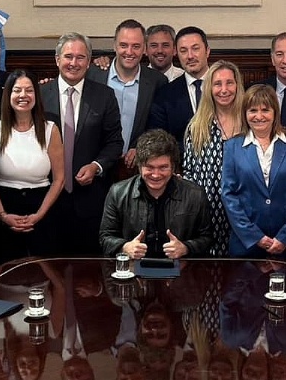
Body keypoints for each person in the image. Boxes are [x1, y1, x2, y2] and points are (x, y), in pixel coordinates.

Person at [41, 32, 124, 255]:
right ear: (57, 59)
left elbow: (115, 142)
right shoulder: (39, 95)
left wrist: (96, 166)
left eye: (80, 57)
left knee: (88, 270)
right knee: (48, 269)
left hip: (89, 202)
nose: (74, 63)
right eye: (68, 56)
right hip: (46, 201)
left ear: (88, 62)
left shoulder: (104, 96)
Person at [221, 85, 286, 260]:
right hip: (247, 245)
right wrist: (255, 236)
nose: (259, 116)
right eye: (253, 110)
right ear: (245, 114)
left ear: (275, 112)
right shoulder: (232, 147)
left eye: (265, 110)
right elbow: (228, 195)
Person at [0, 70, 65, 265]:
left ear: (36, 95)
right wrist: (3, 215)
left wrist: (39, 215)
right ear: (8, 94)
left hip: (42, 207)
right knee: (5, 272)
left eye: (29, 90)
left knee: (43, 271)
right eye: (17, 90)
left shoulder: (50, 129)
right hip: (4, 207)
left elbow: (59, 179)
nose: (23, 95)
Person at [100, 129, 213, 259]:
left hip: (180, 268)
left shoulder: (195, 194)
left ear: (173, 167)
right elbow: (105, 237)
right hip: (134, 267)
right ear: (139, 166)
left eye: (163, 167)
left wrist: (186, 248)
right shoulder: (118, 193)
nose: (156, 174)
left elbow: (207, 238)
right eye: (149, 167)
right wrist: (125, 247)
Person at [182, 60, 245, 257]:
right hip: (207, 215)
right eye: (218, 84)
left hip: (244, 213)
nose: (224, 90)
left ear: (237, 86)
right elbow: (189, 173)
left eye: (229, 83)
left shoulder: (249, 123)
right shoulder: (197, 126)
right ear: (209, 88)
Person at [87, 19, 167, 172]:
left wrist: (142, 146)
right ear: (114, 46)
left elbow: (158, 126)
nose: (129, 52)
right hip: (94, 166)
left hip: (135, 168)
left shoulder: (157, 81)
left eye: (136, 46)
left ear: (144, 48)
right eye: (123, 45)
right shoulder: (92, 75)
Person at [148, 26, 211, 146]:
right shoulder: (164, 95)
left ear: (207, 51)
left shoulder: (225, 88)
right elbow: (159, 143)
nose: (190, 56)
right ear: (177, 54)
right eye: (183, 51)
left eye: (195, 49)